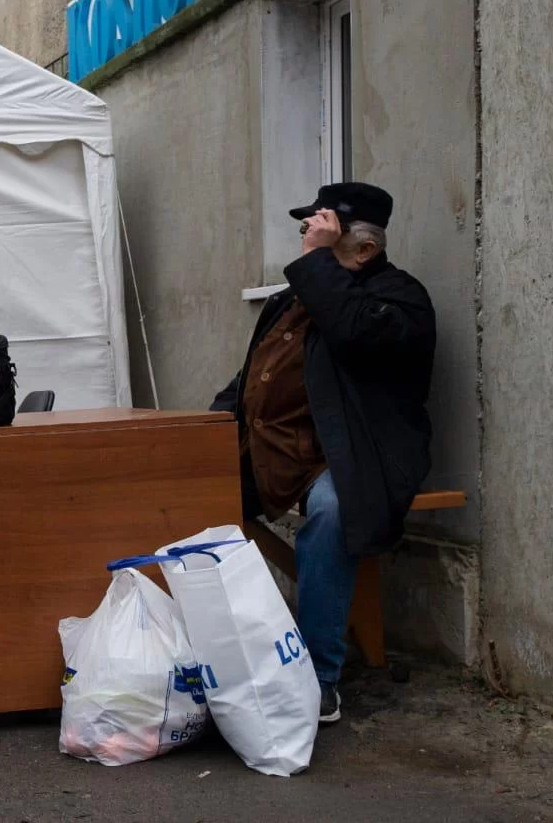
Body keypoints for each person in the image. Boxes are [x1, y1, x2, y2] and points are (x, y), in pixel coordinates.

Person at [212, 182, 435, 724]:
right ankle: (203, 655)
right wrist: (207, 427)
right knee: (175, 491)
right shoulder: (295, 297)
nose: (306, 244)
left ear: (364, 250)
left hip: (351, 458)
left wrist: (314, 263)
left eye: (320, 235)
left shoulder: (400, 299)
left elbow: (353, 330)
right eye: (309, 233)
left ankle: (316, 676)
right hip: (270, 450)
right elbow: (250, 378)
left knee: (334, 512)